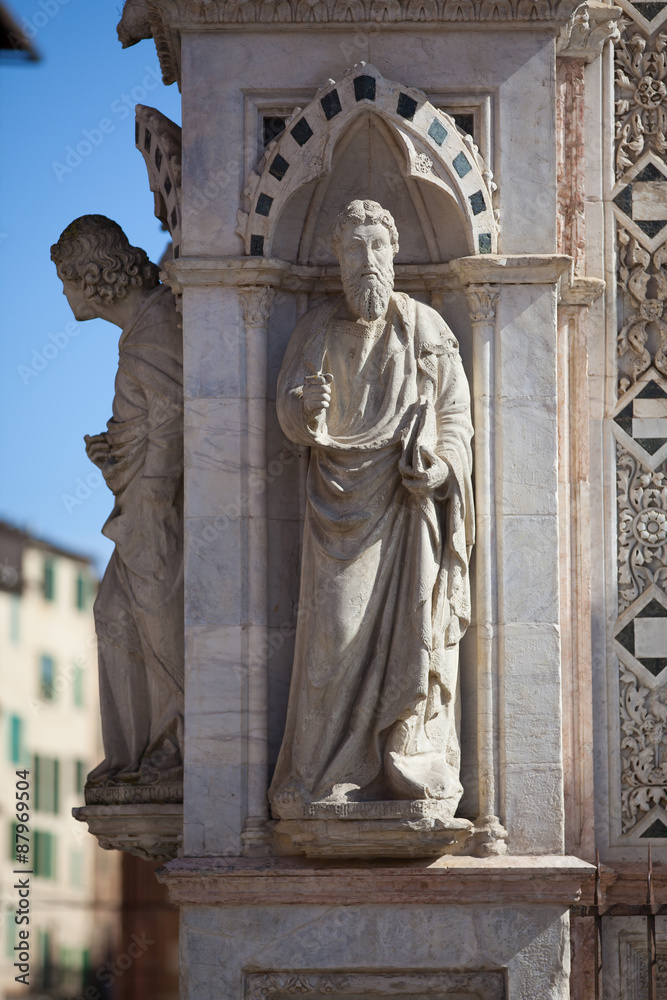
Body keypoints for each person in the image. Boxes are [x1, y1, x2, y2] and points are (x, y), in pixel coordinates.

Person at [269, 199, 474, 818]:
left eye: (376, 249)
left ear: (396, 254)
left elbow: (457, 421)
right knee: (331, 639)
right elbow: (288, 413)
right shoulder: (317, 331)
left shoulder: (428, 329)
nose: (366, 263)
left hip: (409, 513)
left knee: (415, 635)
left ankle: (408, 761)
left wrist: (439, 469)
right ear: (336, 260)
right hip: (336, 516)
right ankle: (325, 775)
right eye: (352, 251)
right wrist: (307, 408)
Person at [51, 215, 183, 797]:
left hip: (158, 514)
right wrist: (117, 455)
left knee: (154, 625)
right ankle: (143, 753)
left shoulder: (155, 332)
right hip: (143, 507)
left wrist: (140, 488)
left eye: (65, 279)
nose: (62, 293)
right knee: (116, 615)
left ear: (92, 275)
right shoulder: (141, 334)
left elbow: (179, 423)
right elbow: (155, 424)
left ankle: (175, 745)